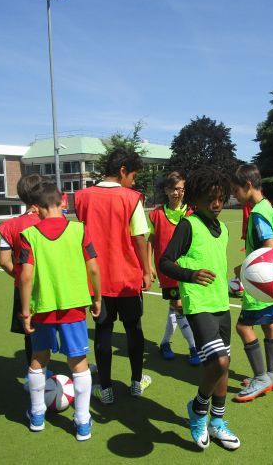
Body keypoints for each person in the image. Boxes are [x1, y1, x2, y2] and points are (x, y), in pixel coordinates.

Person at [159, 166, 240, 450]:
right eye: (210, 198)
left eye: (221, 198)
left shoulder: (224, 228)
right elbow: (165, 262)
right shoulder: (188, 225)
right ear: (196, 198)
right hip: (198, 305)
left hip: (221, 304)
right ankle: (198, 410)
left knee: (224, 367)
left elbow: (217, 264)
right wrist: (190, 276)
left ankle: (217, 423)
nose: (216, 204)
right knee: (218, 362)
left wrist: (237, 281)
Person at [19, 180, 102, 441]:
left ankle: (37, 415)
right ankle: (82, 422)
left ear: (35, 208)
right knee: (78, 363)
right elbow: (94, 268)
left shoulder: (29, 235)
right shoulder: (80, 230)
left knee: (38, 358)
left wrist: (25, 310)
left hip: (42, 307)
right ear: (63, 200)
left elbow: (25, 277)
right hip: (74, 307)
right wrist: (96, 297)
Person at [74, 147, 153, 404]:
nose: (134, 182)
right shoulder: (131, 198)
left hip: (97, 278)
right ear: (122, 171)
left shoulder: (82, 197)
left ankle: (105, 390)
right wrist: (146, 270)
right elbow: (139, 238)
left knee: (103, 330)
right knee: (133, 329)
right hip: (127, 277)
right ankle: (136, 382)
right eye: (133, 176)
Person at [231, 164, 273, 402]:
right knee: (270, 325)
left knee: (243, 327)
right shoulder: (266, 206)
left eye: (235, 190)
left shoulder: (258, 213)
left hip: (263, 284)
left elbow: (268, 247)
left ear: (247, 186)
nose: (234, 196)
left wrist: (244, 269)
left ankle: (261, 378)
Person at [148, 171, 200, 365]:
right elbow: (150, 242)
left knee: (177, 307)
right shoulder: (157, 214)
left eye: (181, 189)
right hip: (168, 270)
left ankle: (165, 343)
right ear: (166, 190)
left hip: (188, 269)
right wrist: (149, 265)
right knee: (178, 306)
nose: (178, 193)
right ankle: (194, 347)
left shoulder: (191, 213)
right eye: (174, 189)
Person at [0, 174, 43, 367]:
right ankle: (76, 364)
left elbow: (4, 261)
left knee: (30, 331)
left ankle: (33, 374)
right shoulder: (51, 221)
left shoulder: (10, 226)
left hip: (24, 288)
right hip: (50, 285)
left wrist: (23, 277)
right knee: (60, 327)